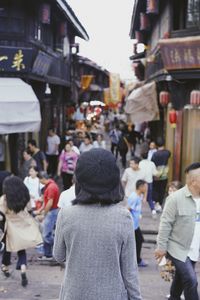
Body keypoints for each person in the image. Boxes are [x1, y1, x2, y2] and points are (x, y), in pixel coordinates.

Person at [53, 149, 142, 300]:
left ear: (79, 180)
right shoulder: (123, 217)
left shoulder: (66, 214)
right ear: (114, 181)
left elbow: (58, 255)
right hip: (111, 294)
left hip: (74, 294)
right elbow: (130, 271)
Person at [155, 162, 200, 300]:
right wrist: (161, 247)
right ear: (194, 181)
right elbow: (165, 224)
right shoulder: (175, 199)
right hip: (178, 248)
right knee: (191, 281)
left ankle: (173, 298)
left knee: (180, 280)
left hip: (194, 248)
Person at [0, 176, 42, 286]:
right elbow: (29, 210)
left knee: (7, 248)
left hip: (10, 227)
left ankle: (5, 267)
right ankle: (23, 269)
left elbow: (1, 215)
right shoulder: (25, 196)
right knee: (21, 250)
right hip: (23, 225)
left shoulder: (4, 199)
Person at [37, 172, 60, 259]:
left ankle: (59, 246)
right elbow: (46, 201)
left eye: (39, 180)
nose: (39, 182)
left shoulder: (51, 187)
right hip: (51, 211)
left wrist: (44, 214)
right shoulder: (50, 185)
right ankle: (48, 254)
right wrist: (41, 210)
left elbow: (49, 203)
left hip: (52, 212)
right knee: (47, 233)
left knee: (46, 235)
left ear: (42, 178)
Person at [128, 180, 148, 267]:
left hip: (135, 225)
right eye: (145, 186)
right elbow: (128, 209)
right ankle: (137, 260)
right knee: (139, 240)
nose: (146, 188)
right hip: (132, 225)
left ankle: (136, 259)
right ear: (140, 187)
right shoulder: (134, 197)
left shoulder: (139, 196)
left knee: (139, 240)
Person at [151, 137, 171, 212]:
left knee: (156, 189)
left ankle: (156, 204)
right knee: (162, 189)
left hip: (156, 174)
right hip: (164, 174)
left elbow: (152, 162)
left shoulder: (155, 154)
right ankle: (160, 203)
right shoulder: (167, 152)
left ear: (156, 145)